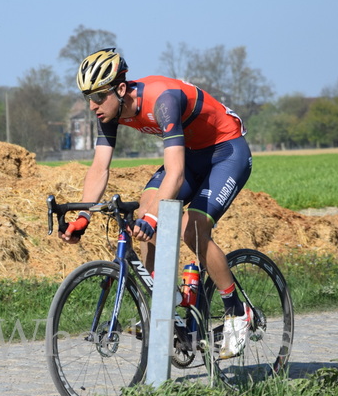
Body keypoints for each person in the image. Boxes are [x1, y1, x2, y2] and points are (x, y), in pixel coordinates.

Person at [60, 48, 253, 359]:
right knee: (144, 214)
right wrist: (83, 215)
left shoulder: (163, 100)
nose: (92, 106)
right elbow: (99, 168)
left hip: (226, 152)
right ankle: (173, 305)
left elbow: (174, 173)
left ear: (120, 89)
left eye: (98, 96)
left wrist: (155, 217)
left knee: (191, 228)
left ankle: (237, 310)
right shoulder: (109, 111)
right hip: (192, 155)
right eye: (88, 98)